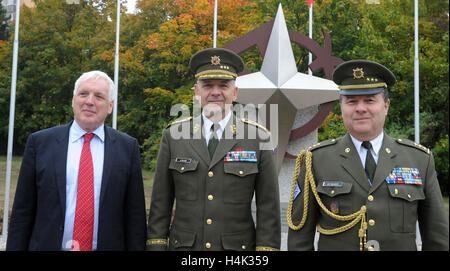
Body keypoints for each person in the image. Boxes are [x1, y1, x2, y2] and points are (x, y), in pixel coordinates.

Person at [287, 60, 449, 251]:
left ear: (386, 106)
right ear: (341, 106)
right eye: (352, 101)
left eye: (370, 100)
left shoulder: (420, 160)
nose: (360, 108)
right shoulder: (315, 160)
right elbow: (299, 241)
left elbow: (437, 239)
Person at [146, 48, 281, 251]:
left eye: (223, 86)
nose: (215, 92)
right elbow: (160, 203)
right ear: (196, 92)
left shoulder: (257, 137)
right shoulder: (174, 136)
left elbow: (268, 207)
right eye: (208, 85)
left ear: (234, 93)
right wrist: (156, 246)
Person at [6, 70, 147, 251]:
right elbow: (22, 211)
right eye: (83, 94)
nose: (89, 101)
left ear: (110, 106)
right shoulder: (40, 143)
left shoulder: (127, 147)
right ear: (73, 100)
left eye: (99, 96)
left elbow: (135, 216)